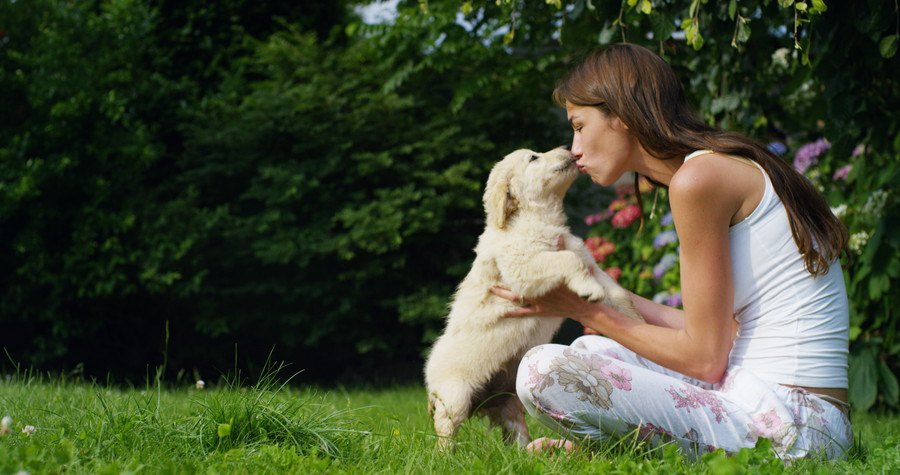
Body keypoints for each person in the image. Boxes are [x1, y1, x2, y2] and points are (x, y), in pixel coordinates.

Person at [490, 43, 852, 461]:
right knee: (592, 353)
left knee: (543, 371)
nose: (574, 148)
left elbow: (703, 358)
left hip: (798, 426)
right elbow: (723, 334)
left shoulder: (698, 180)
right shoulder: (714, 166)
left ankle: (611, 449)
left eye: (579, 125)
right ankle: (615, 450)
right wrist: (596, 292)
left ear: (621, 116)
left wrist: (588, 312)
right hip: (774, 401)